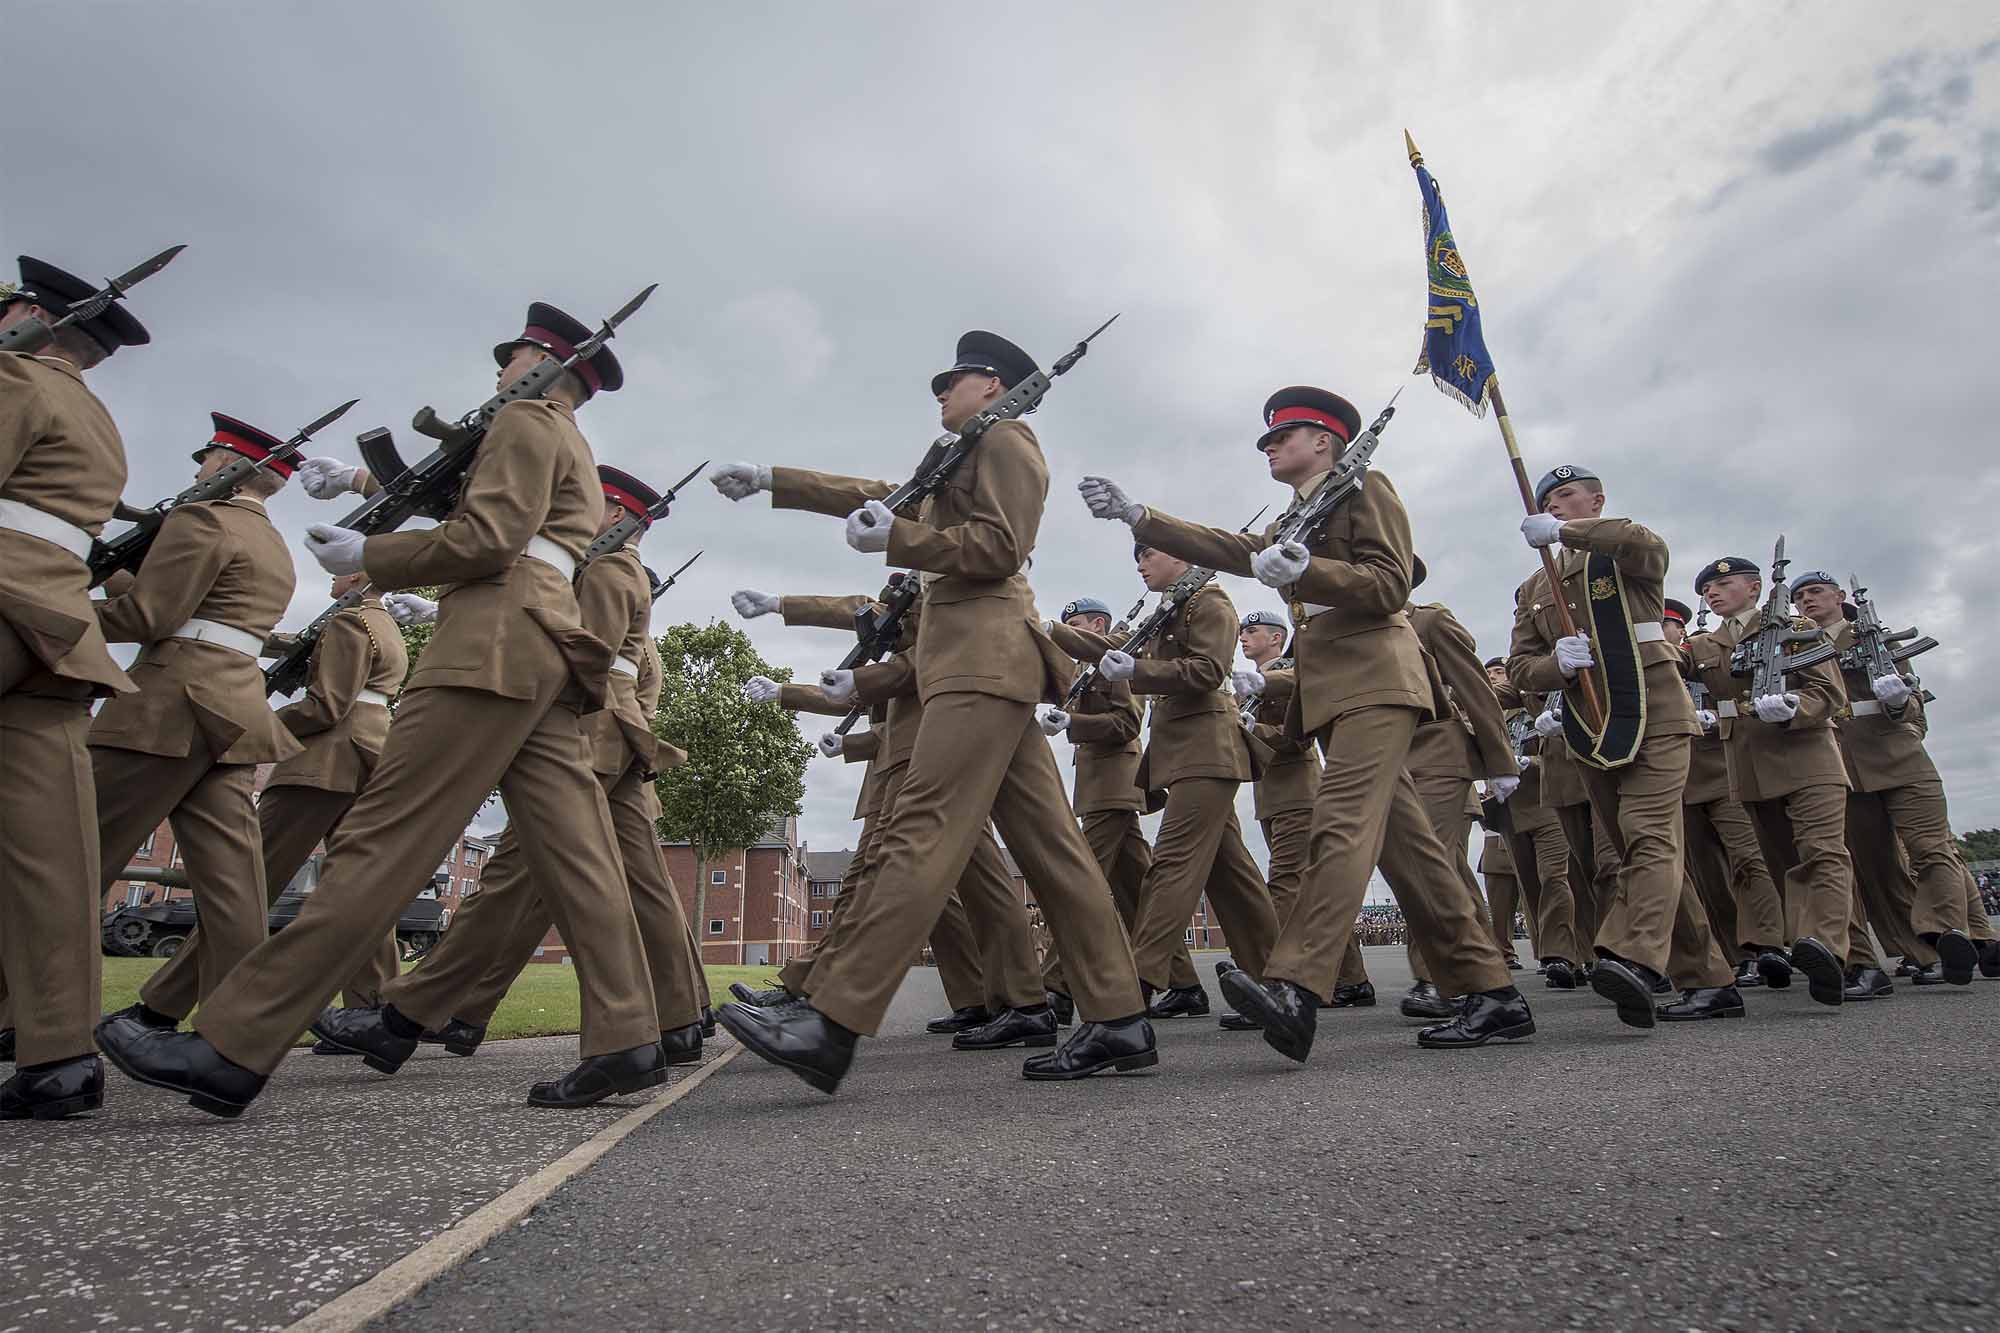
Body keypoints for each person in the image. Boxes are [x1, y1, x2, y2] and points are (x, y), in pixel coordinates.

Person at [97, 298, 669, 1116]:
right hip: (542, 651)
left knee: (379, 843)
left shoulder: (525, 424)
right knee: (579, 861)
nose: (498, 370)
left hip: (490, 649)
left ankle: (232, 1043)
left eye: (510, 358)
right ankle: (627, 1036)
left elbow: (485, 541)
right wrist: (377, 488)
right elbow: (493, 522)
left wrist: (374, 553)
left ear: (543, 365)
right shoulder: (565, 439)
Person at [707, 329, 1152, 1090]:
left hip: (983, 659)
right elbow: (878, 494)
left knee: (922, 827)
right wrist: (775, 481)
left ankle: (831, 1019)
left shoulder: (1010, 441)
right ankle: (1119, 1017)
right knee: (1054, 852)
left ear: (994, 384)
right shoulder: (963, 451)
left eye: (954, 379)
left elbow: (1001, 547)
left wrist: (904, 539)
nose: (939, 391)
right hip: (979, 664)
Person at [1079, 385, 1529, 1060]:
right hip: (1336, 694)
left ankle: (1294, 986)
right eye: (1266, 439)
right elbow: (1230, 547)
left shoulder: (1365, 487)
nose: (1270, 446)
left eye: (1282, 437)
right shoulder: (1297, 511)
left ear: (1325, 441)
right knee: (1409, 854)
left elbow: (1389, 586)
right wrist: (1142, 515)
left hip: (1378, 679)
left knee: (1340, 828)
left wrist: (1311, 571)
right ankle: (1491, 990)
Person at [314, 465, 712, 1078]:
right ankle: (678, 1021)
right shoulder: (609, 568)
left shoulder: (605, 572)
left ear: (612, 514)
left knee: (506, 886)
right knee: (636, 885)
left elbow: (582, 656)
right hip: (612, 740)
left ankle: (408, 1017)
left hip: (589, 736)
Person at [0, 256, 151, 1119]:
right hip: (58, 629)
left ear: (26, 314)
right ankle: (59, 1051)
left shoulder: (14, 381)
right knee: (53, 852)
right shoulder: (101, 422)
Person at [90, 414, 300, 1026]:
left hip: (167, 706)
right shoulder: (275, 546)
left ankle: (23, 1013)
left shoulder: (200, 520)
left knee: (75, 854)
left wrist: (68, 592)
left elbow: (148, 617)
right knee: (231, 886)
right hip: (233, 711)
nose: (199, 468)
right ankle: (242, 1024)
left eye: (208, 458)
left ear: (230, 467)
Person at [1509, 465, 1738, 1026]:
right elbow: (1519, 666)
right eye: (1549, 502)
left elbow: (1646, 544)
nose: (1557, 506)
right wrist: (1553, 667)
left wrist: (1565, 534)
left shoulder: (1622, 551)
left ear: (1597, 500)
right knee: (1640, 851)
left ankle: (1633, 957)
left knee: (1649, 834)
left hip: (1654, 707)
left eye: (1567, 497)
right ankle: (1708, 978)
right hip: (1592, 724)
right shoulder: (1537, 587)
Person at [140, 565, 408, 1038]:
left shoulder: (348, 622)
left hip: (325, 761)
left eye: (341, 570)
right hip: (370, 756)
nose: (331, 575)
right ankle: (371, 1009)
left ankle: (164, 1006)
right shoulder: (385, 626)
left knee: (241, 886)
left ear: (360, 577)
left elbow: (326, 705)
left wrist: (258, 724)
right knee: (357, 887)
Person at [1045, 546, 1277, 1021]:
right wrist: (1050, 631)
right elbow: (1117, 654)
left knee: (1169, 866)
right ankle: (1281, 982)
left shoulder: (1210, 602)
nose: (1140, 565)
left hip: (1207, 748)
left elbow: (1209, 671)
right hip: (1184, 753)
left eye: (1148, 554)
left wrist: (1138, 671)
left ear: (1179, 555)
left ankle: (1134, 992)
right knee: (1232, 877)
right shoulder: (1171, 608)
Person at [1789, 570, 1987, 989]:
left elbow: (1912, 702)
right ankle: (1919, 951)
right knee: (1877, 867)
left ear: (1840, 596)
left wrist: (1900, 703)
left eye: (1816, 592)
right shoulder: (1800, 647)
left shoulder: (1873, 638)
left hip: (1898, 755)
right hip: (1844, 764)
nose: (1807, 600)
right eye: (1800, 596)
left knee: (1930, 850)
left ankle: (1948, 934)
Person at [1684, 555, 1854, 1007]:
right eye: (1706, 591)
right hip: (1750, 766)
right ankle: (1787, 945)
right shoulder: (1703, 646)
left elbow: (1829, 692)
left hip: (1806, 756)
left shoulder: (1794, 628)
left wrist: (1797, 706)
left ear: (1755, 587)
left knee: (1823, 853)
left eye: (1723, 585)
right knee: (1777, 864)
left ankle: (1831, 950)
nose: (1712, 594)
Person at [1034, 597, 1193, 1020]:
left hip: (1114, 788)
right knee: (1137, 892)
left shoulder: (1112, 660)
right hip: (1100, 790)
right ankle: (1184, 983)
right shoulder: (1085, 668)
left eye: (1079, 624)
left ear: (1100, 625)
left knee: (1077, 882)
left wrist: (1075, 724)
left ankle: (1057, 987)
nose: (1072, 632)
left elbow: (1126, 723)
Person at [1664, 598, 1781, 990]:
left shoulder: (1703, 656)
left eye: (1668, 625)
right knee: (1707, 876)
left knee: (1747, 858)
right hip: (1680, 780)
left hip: (1723, 768)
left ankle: (1768, 944)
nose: (1663, 632)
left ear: (1681, 629)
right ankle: (1736, 952)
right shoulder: (1656, 670)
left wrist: (1716, 712)